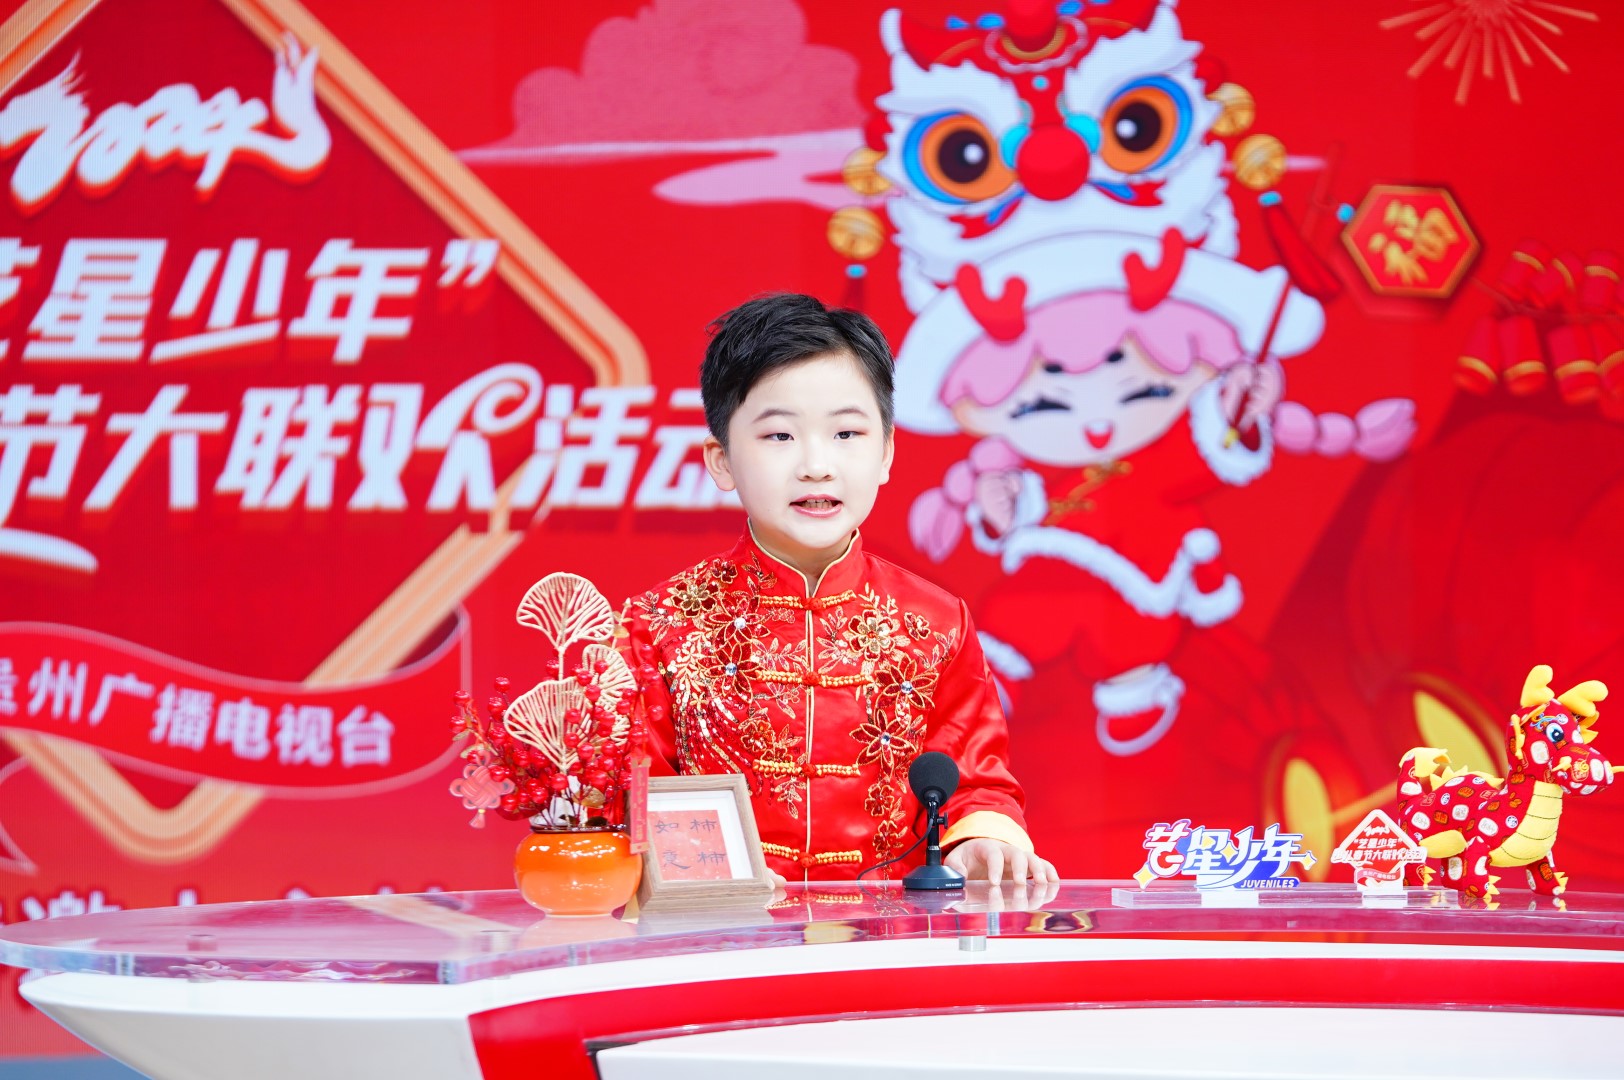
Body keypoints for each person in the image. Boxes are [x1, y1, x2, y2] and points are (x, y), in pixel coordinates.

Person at [621, 293, 1055, 884]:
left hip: (894, 932)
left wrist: (981, 838)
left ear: (887, 453)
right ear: (721, 460)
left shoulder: (936, 622)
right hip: (723, 931)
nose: (817, 465)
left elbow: (974, 779)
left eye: (847, 433)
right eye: (779, 436)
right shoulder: (659, 625)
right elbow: (635, 792)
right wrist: (707, 873)